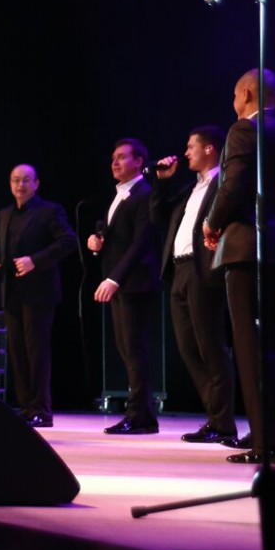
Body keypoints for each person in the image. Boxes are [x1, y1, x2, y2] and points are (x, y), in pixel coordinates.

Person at [203, 67, 275, 464]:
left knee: (250, 349)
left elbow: (233, 184)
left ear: (247, 94)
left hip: (248, 248)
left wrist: (211, 222)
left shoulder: (244, 129)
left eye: (235, 95)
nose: (234, 102)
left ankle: (265, 443)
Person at [149, 125, 237, 444]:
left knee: (210, 346)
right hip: (179, 270)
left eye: (191, 147)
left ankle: (223, 423)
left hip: (204, 270)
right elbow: (158, 218)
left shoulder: (223, 182)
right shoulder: (190, 187)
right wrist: (161, 183)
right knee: (188, 347)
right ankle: (215, 418)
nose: (185, 152)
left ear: (209, 149)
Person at [0, 164, 76, 427]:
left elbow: (68, 240)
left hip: (39, 292)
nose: (20, 185)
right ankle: (26, 407)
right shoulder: (5, 214)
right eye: (15, 180)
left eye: (26, 180)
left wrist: (35, 260)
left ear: (36, 184)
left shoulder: (49, 211)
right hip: (11, 291)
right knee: (17, 351)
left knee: (37, 352)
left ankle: (41, 410)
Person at [87, 138, 163, 434]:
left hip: (134, 282)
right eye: (113, 158)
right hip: (121, 282)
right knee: (127, 349)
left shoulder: (144, 193)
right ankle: (142, 413)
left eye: (121, 157)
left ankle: (140, 415)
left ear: (139, 162)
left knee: (134, 348)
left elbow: (141, 242)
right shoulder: (120, 194)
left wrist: (114, 278)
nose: (115, 163)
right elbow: (119, 240)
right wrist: (98, 245)